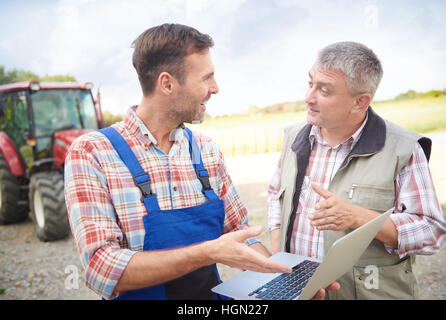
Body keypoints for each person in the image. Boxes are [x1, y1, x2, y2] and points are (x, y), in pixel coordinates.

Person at [64, 23, 338, 300]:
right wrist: (206, 252)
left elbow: (240, 232)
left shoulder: (205, 150)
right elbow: (101, 268)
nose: (215, 88)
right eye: (206, 78)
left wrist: (285, 279)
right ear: (167, 83)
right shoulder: (92, 153)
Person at [268, 41, 446, 300]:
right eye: (310, 84)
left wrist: (358, 217)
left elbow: (431, 231)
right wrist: (278, 259)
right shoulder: (293, 137)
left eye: (324, 91)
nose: (308, 97)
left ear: (359, 102)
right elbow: (275, 195)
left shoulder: (404, 149)